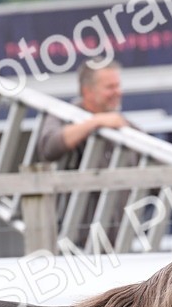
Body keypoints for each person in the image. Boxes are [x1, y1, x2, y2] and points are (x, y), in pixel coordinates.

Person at [35, 61, 136, 244]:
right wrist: (95, 122)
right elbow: (49, 146)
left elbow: (158, 162)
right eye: (110, 87)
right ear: (88, 91)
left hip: (121, 244)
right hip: (73, 243)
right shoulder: (64, 115)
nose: (118, 92)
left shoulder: (122, 125)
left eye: (118, 85)